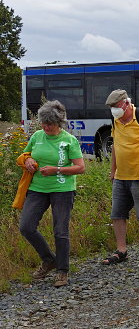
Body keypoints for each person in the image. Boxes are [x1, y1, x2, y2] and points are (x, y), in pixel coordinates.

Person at [19, 100, 85, 287]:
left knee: (60, 231)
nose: (46, 126)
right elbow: (26, 155)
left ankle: (62, 271)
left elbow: (80, 168)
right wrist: (29, 161)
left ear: (59, 123)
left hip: (62, 189)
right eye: (43, 122)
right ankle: (49, 259)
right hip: (37, 188)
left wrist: (57, 169)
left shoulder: (69, 140)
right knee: (26, 226)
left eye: (50, 123)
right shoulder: (37, 136)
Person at [101, 90, 139, 265]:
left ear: (126, 103)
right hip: (121, 175)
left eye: (116, 106)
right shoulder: (116, 120)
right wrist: (113, 171)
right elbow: (115, 146)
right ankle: (121, 250)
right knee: (117, 214)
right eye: (111, 108)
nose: (114, 110)